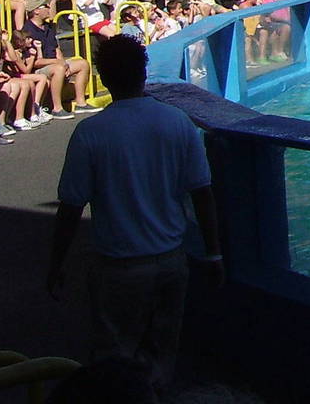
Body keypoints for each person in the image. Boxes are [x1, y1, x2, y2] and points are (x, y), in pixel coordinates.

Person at [48, 35, 222, 392]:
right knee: (163, 352)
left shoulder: (90, 133)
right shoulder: (177, 122)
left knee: (114, 358)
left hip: (117, 265)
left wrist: (56, 264)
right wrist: (214, 252)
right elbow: (202, 193)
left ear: (104, 78)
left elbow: (71, 205)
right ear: (144, 73)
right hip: (170, 259)